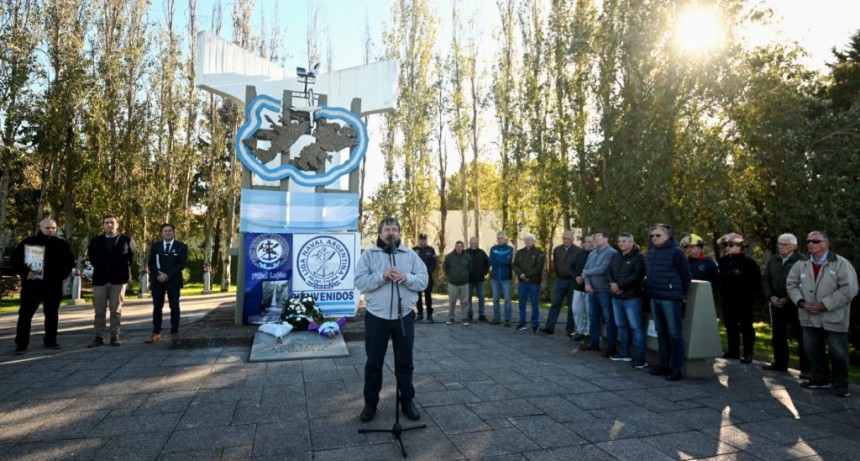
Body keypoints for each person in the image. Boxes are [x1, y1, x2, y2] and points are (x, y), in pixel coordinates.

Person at [355, 217, 428, 421]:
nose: (391, 232)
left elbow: (423, 280)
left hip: (403, 316)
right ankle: (370, 404)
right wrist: (381, 276)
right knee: (373, 363)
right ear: (380, 233)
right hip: (377, 318)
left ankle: (407, 402)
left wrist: (407, 278)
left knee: (405, 363)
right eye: (387, 229)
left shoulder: (409, 254)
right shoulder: (369, 255)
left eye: (395, 229)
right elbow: (359, 281)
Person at [787, 231, 858, 397]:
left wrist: (825, 305)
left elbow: (849, 289)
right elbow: (791, 284)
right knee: (812, 349)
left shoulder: (841, 263)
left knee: (838, 352)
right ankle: (820, 379)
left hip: (833, 316)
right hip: (808, 315)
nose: (811, 244)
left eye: (815, 241)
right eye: (808, 241)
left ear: (825, 243)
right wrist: (801, 302)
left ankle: (840, 384)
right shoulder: (801, 264)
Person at [11, 218, 76, 354]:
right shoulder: (29, 242)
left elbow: (69, 262)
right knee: (25, 314)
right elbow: (15, 259)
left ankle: (51, 340)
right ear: (40, 228)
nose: (50, 230)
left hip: (53, 285)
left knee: (52, 314)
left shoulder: (62, 244)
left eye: (53, 228)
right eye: (47, 228)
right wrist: (25, 272)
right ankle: (21, 344)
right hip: (32, 285)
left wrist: (61, 276)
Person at [645, 224, 692, 381]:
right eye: (652, 236)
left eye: (658, 235)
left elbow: (685, 275)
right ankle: (663, 364)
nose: (654, 238)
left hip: (670, 299)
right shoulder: (651, 253)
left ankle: (676, 368)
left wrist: (683, 294)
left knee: (675, 334)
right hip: (655, 296)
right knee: (661, 333)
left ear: (667, 236)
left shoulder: (676, 252)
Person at [761, 233, 808, 376]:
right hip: (776, 303)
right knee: (778, 334)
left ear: (794, 246)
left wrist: (788, 298)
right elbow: (765, 278)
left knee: (802, 335)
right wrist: (770, 296)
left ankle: (806, 368)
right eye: (779, 244)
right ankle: (780, 363)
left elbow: (803, 282)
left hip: (795, 304)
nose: (781, 247)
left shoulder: (802, 261)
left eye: (784, 244)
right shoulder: (774, 260)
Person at [87, 213, 136, 347]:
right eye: (107, 222)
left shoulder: (127, 240)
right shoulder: (95, 241)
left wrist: (120, 269)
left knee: (115, 309)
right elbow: (92, 257)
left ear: (117, 224)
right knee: (99, 310)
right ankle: (99, 336)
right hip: (100, 279)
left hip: (119, 279)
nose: (109, 225)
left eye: (112, 222)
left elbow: (131, 258)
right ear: (103, 225)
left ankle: (115, 336)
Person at [717, 232, 761, 364]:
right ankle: (733, 350)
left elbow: (756, 283)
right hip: (727, 300)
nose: (727, 247)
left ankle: (748, 353)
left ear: (739, 246)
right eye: (725, 245)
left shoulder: (748, 262)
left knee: (746, 327)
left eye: (730, 245)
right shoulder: (723, 261)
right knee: (730, 325)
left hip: (744, 301)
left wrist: (749, 298)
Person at [608, 233, 647, 367]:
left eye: (624, 241)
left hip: (632, 297)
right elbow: (609, 272)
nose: (621, 244)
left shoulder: (639, 257)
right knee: (621, 325)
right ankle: (624, 353)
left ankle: (640, 357)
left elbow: (638, 276)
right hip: (616, 297)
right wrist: (613, 285)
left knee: (636, 328)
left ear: (631, 243)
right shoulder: (616, 255)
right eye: (619, 241)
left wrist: (620, 285)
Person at [145, 223, 188, 344]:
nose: (167, 233)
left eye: (170, 231)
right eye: (165, 231)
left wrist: (167, 275)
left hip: (173, 281)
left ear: (173, 232)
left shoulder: (181, 246)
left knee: (174, 307)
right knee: (157, 307)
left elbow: (181, 264)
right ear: (161, 233)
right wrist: (158, 275)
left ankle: (174, 332)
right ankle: (156, 333)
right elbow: (151, 263)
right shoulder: (155, 246)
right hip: (158, 281)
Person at [579, 230, 618, 355]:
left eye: (599, 237)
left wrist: (586, 274)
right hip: (592, 290)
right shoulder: (592, 253)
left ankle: (611, 346)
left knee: (608, 318)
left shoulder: (611, 253)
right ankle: (593, 342)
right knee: (593, 317)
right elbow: (586, 268)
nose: (596, 239)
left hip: (604, 291)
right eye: (595, 237)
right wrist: (587, 283)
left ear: (606, 239)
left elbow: (603, 269)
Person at [540, 230, 580, 335]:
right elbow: (555, 264)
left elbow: (578, 266)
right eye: (564, 238)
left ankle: (570, 330)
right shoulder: (557, 249)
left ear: (572, 239)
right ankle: (549, 327)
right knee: (555, 304)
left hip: (572, 281)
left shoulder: (578, 251)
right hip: (560, 280)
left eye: (568, 239)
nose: (566, 240)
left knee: (572, 306)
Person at [512, 234, 545, 332]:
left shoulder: (539, 252)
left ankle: (535, 324)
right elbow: (515, 265)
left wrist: (526, 275)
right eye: (526, 239)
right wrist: (521, 274)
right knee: (522, 303)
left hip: (534, 282)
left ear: (534, 241)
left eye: (530, 239)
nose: (528, 241)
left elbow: (539, 267)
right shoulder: (520, 252)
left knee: (534, 303)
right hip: (522, 283)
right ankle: (522, 323)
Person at [568, 234, 593, 341]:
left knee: (590, 312)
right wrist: (576, 277)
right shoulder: (577, 254)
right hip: (577, 286)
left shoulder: (595, 254)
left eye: (592, 241)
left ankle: (589, 333)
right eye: (588, 241)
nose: (590, 243)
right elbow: (571, 268)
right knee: (577, 310)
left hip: (590, 287)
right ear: (583, 243)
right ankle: (579, 331)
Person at [489, 231, 514, 326]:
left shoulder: (510, 249)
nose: (499, 239)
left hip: (506, 278)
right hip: (494, 278)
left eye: (501, 238)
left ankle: (507, 319)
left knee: (507, 299)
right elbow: (491, 261)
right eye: (498, 238)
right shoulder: (493, 248)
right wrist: (502, 259)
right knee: (495, 299)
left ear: (505, 239)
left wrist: (497, 258)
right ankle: (496, 318)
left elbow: (508, 262)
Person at [443, 241, 472, 325]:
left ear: (463, 247)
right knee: (452, 301)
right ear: (455, 247)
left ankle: (464, 318)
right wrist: (451, 275)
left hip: (464, 283)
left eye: (460, 246)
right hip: (453, 283)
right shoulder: (449, 256)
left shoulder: (467, 257)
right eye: (457, 246)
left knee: (465, 302)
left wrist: (465, 274)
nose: (459, 248)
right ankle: (451, 318)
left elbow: (470, 268)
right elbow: (445, 267)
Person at [412, 233, 437, 322]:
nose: (423, 241)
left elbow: (434, 263)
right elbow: (411, 263)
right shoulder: (414, 250)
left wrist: (427, 272)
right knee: (418, 296)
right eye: (421, 239)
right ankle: (420, 314)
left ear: (426, 240)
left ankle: (429, 314)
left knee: (428, 296)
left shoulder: (431, 250)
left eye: (424, 239)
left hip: (428, 277)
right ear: (419, 240)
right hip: (417, 277)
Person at [465, 237, 490, 322]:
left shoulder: (481, 253)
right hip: (469, 280)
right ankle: (469, 314)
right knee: (468, 298)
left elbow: (487, 263)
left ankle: (481, 314)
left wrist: (484, 272)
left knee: (482, 297)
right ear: (469, 243)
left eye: (475, 242)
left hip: (480, 280)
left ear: (477, 243)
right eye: (472, 242)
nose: (473, 244)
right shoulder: (465, 253)